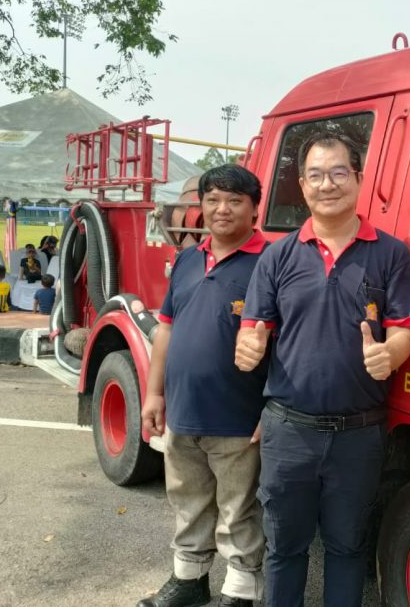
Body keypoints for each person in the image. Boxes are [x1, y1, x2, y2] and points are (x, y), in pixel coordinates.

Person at [235, 132, 410, 607]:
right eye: (316, 175)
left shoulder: (391, 254)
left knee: (347, 547)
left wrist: (392, 353)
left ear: (358, 178)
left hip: (359, 435)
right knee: (285, 548)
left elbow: (403, 329)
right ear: (301, 184)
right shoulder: (278, 255)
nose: (327, 184)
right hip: (289, 432)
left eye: (339, 173)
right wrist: (248, 344)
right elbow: (254, 326)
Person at [139, 165, 269, 607]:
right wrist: (155, 394)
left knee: (238, 508)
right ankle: (189, 581)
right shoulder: (190, 259)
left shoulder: (271, 263)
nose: (221, 209)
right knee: (187, 499)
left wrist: (272, 408)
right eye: (212, 199)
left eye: (234, 200)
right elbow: (166, 331)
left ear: (255, 207)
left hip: (239, 416)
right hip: (183, 409)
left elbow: (287, 343)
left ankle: (240, 590)